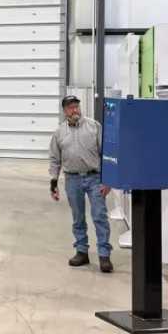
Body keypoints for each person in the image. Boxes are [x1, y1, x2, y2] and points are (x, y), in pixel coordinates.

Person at [48, 95, 113, 273]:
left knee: (99, 216)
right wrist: (53, 183)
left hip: (95, 178)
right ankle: (82, 252)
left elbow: (106, 153)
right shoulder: (59, 133)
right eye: (70, 107)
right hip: (72, 179)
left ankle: (104, 255)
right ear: (64, 111)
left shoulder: (94, 126)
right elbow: (55, 160)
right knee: (78, 218)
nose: (75, 110)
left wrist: (108, 180)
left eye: (76, 106)